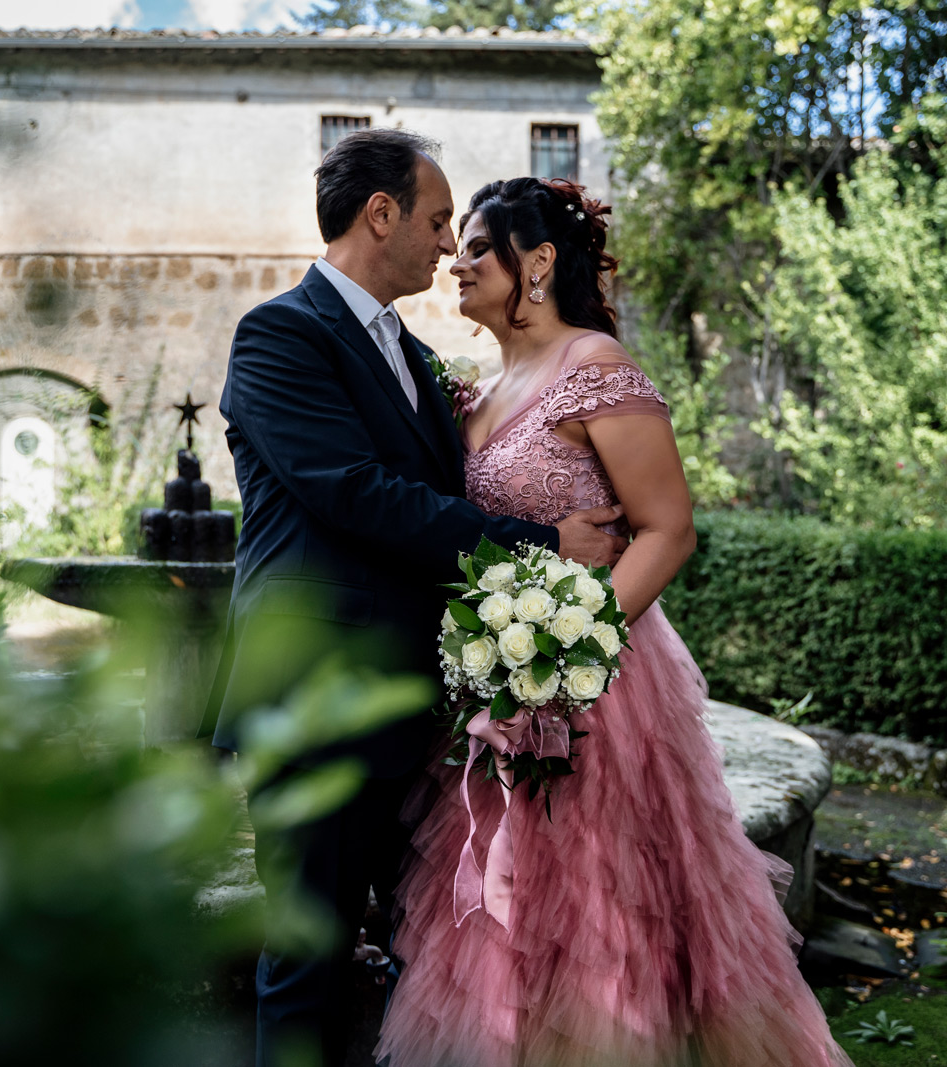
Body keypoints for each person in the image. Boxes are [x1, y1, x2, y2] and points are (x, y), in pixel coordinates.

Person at [373, 177, 856, 1067]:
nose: (458, 260)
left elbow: (668, 530)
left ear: (540, 262)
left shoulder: (595, 366)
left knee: (605, 914)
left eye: (480, 245)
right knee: (506, 915)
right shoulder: (478, 389)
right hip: (500, 686)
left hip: (598, 689)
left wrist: (569, 650)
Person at [201, 130, 628, 1067]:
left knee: (420, 953)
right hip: (313, 703)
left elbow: (456, 490)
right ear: (380, 213)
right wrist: (546, 542)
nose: (447, 246)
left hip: (419, 715)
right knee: (303, 955)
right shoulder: (279, 335)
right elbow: (358, 494)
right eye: (438, 222)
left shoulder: (416, 355)